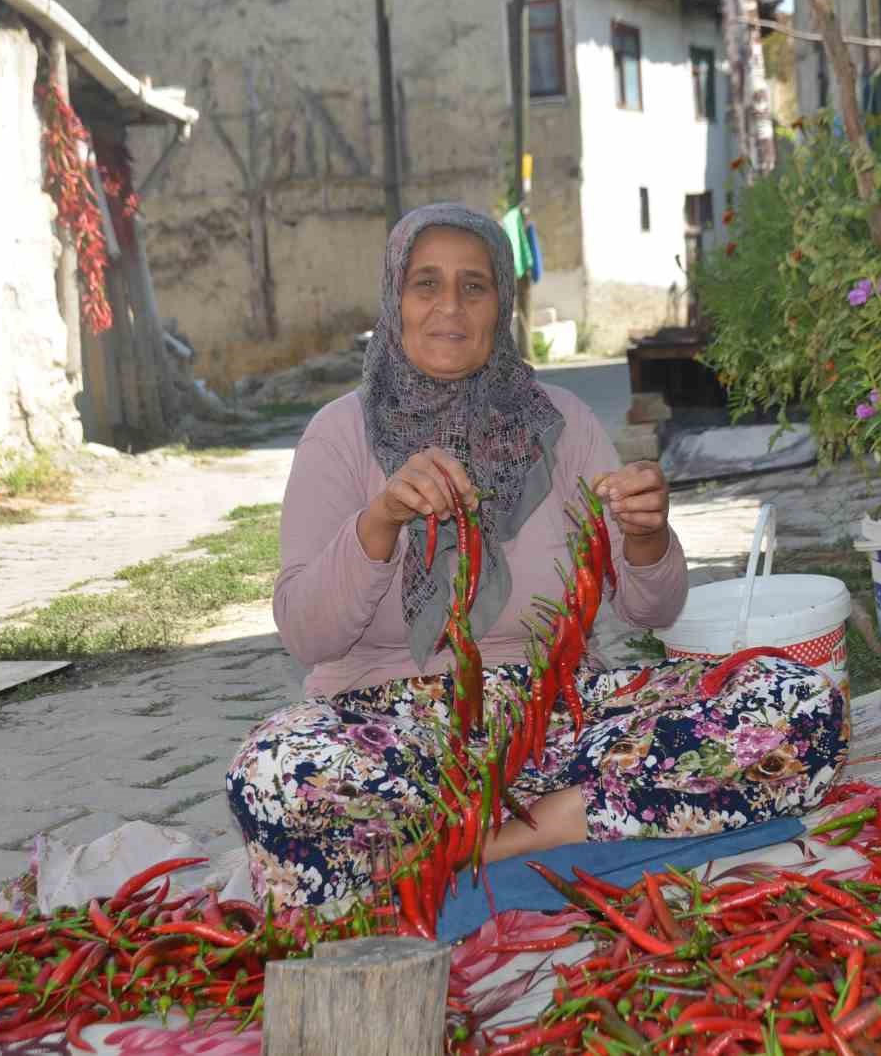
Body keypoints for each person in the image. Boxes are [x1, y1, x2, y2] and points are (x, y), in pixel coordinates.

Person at [226, 203, 847, 909]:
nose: (449, 307)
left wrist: (645, 535)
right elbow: (308, 635)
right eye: (426, 283)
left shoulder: (562, 422)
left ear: (503, 305)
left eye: (475, 285)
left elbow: (654, 609)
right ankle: (577, 821)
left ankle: (489, 842)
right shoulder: (339, 434)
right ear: (394, 298)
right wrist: (380, 522)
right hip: (397, 734)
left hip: (561, 721)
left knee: (800, 702)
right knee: (272, 768)